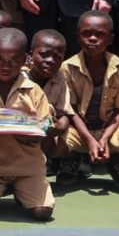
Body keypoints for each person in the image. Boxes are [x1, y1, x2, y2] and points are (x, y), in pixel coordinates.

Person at [0, 28, 54, 221]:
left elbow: (43, 130)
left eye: (14, 60)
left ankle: (22, 191)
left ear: (25, 60)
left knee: (42, 213)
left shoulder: (34, 91)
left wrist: (24, 130)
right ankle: (0, 188)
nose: (6, 66)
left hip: (27, 166)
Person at [57, 11, 119, 188]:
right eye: (87, 34)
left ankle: (116, 160)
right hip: (79, 130)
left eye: (100, 34)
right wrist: (90, 140)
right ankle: (73, 158)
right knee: (53, 142)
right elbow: (71, 111)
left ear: (111, 39)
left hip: (110, 129)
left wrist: (104, 138)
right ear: (78, 37)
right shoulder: (66, 68)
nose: (92, 38)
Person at [24, 29, 72, 158]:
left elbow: (64, 111)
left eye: (57, 57)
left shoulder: (60, 80)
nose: (51, 60)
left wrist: (61, 124)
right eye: (44, 54)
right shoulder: (20, 77)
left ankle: (41, 163)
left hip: (47, 131)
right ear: (30, 55)